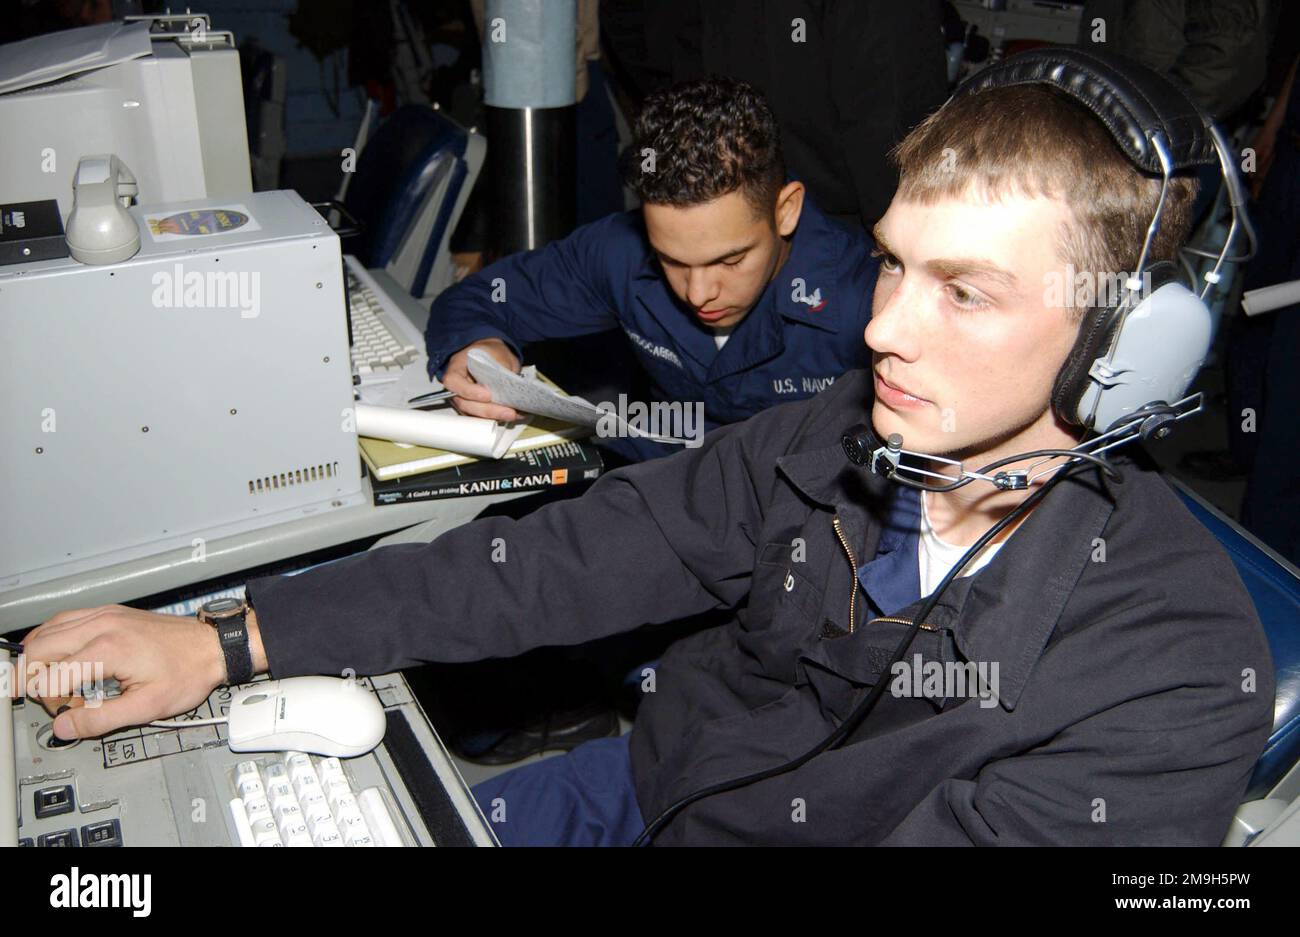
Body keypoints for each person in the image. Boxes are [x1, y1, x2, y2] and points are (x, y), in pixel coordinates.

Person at [21, 55, 1273, 846]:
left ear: (1134, 350)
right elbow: (561, 560)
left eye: (965, 292)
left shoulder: (1167, 675)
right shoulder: (830, 439)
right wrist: (232, 635)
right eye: (893, 262)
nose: (882, 324)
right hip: (642, 787)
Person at [427, 75, 878, 461]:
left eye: (730, 259)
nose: (698, 293)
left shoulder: (867, 299)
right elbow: (478, 296)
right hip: (653, 498)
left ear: (786, 210)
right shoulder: (619, 251)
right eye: (671, 260)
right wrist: (477, 345)